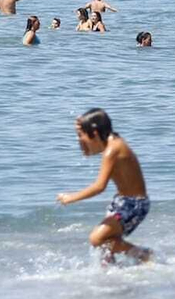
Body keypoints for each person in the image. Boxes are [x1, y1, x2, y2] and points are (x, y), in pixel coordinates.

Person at [56, 108, 152, 265]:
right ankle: (112, 272)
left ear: (94, 133)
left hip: (134, 205)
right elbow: (90, 151)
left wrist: (70, 198)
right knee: (105, 247)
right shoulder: (111, 141)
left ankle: (144, 255)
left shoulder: (112, 150)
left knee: (97, 238)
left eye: (81, 136)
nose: (80, 140)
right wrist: (83, 129)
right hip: (122, 202)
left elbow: (100, 186)